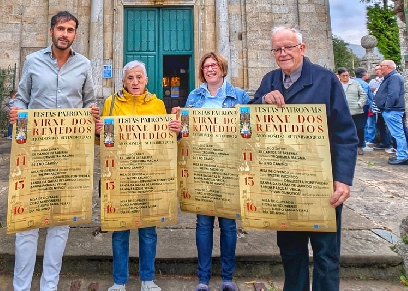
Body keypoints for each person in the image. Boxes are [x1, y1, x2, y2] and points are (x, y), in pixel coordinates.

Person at [253, 26, 358, 291]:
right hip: (284, 182)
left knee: (325, 253)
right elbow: (249, 118)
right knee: (290, 250)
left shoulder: (326, 80)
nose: (283, 53)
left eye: (288, 47)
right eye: (277, 49)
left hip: (320, 182)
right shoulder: (270, 80)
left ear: (302, 48)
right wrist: (263, 100)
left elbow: (345, 133)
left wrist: (343, 179)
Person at [9, 11, 99, 291]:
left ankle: (50, 286)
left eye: (70, 30)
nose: (65, 34)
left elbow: (89, 102)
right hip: (36, 151)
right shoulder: (33, 61)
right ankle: (21, 287)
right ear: (51, 32)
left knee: (61, 221)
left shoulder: (84, 64)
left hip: (69, 152)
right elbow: (21, 98)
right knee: (28, 222)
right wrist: (15, 112)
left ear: (75, 34)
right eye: (61, 28)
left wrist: (91, 113)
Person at [96, 60, 181, 291]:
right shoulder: (110, 103)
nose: (135, 82)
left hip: (147, 174)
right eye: (130, 78)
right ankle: (119, 281)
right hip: (120, 174)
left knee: (148, 231)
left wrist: (175, 132)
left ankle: (147, 279)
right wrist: (98, 133)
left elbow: (164, 142)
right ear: (123, 81)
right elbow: (101, 141)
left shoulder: (157, 105)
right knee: (120, 230)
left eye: (139, 78)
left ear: (146, 80)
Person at [183, 51, 250, 291]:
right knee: (203, 223)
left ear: (222, 68)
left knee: (229, 225)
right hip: (202, 165)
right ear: (202, 71)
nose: (210, 69)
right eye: (206, 66)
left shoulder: (239, 96)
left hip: (229, 166)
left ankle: (227, 277)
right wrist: (178, 125)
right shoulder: (195, 95)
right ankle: (203, 278)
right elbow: (185, 131)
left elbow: (248, 131)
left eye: (214, 65)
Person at [374, 60, 408, 165]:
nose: (380, 68)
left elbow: (393, 94)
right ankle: (401, 154)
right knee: (396, 133)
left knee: (398, 134)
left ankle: (403, 156)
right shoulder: (391, 77)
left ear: (388, 67)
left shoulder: (394, 77)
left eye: (381, 66)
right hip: (392, 109)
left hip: (393, 110)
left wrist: (387, 107)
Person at [337, 68, 366, 156]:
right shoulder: (337, 84)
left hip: (356, 111)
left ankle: (359, 146)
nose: (346, 77)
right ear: (339, 76)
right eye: (343, 76)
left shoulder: (355, 83)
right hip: (342, 112)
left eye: (347, 75)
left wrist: (360, 103)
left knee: (359, 129)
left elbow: (363, 95)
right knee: (343, 129)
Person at [355, 67, 375, 150]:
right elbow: (368, 97)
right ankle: (362, 143)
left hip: (353, 107)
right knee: (363, 126)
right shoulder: (365, 84)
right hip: (363, 107)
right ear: (364, 74)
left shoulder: (352, 82)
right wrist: (371, 107)